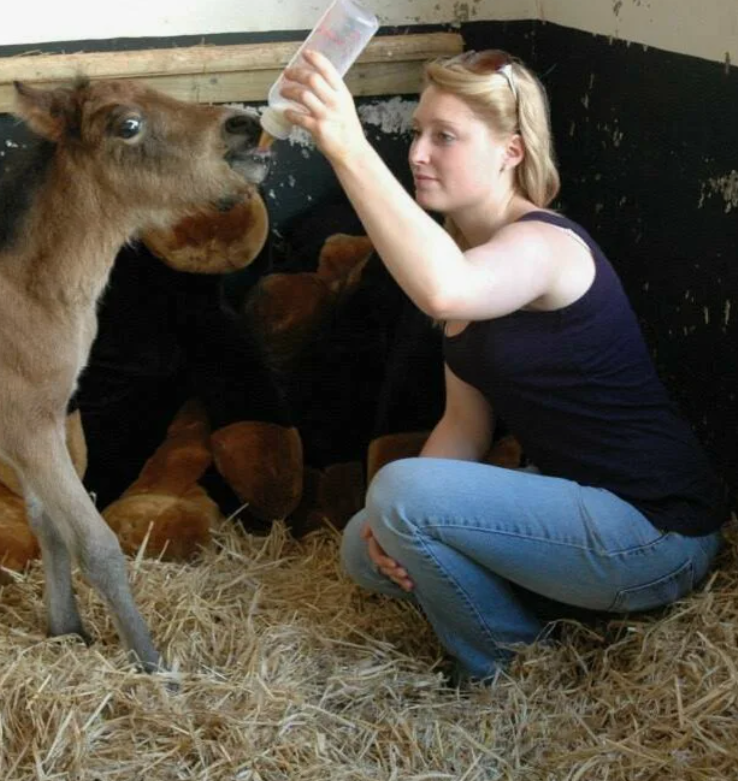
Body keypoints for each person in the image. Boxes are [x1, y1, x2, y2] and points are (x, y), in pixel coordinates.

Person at [278, 49, 730, 684]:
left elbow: (445, 289)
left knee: (399, 493)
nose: (417, 154)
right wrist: (390, 525)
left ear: (510, 152)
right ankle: (530, 618)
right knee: (362, 544)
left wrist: (348, 146)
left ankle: (506, 666)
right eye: (415, 134)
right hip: (582, 516)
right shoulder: (471, 255)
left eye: (446, 137)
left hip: (655, 533)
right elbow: (464, 427)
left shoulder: (543, 245)